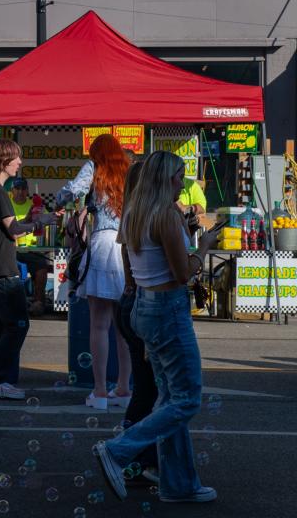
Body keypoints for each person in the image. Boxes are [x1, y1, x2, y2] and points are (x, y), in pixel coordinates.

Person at [95, 150, 219, 504]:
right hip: (167, 308)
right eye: (179, 177)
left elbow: (130, 261)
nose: (183, 184)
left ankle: (179, 484)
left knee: (169, 397)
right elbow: (183, 272)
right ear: (166, 179)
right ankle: (117, 451)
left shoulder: (136, 210)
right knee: (186, 399)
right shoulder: (165, 214)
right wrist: (205, 247)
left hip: (145, 306)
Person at [0, 139, 62, 400]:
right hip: (1, 267)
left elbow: (7, 226)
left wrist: (33, 220)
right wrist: (38, 223)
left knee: (0, 325)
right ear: (3, 161)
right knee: (17, 324)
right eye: (16, 158)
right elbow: (13, 231)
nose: (20, 163)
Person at [55, 133, 131, 410]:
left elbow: (72, 191)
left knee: (99, 325)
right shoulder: (128, 172)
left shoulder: (94, 169)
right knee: (124, 327)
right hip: (125, 248)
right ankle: (124, 388)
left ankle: (99, 391)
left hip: (101, 246)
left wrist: (60, 199)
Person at [113, 161, 160, 483]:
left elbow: (129, 271)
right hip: (145, 305)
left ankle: (137, 458)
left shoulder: (130, 217)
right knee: (154, 391)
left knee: (144, 389)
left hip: (129, 302)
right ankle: (129, 455)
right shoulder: (152, 218)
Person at [9, 176, 51, 316]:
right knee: (12, 268)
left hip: (32, 250)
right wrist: (27, 220)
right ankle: (13, 303)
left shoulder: (34, 205)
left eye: (23, 189)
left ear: (27, 191)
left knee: (41, 267)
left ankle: (39, 302)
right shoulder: (6, 204)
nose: (20, 192)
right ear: (12, 191)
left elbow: (46, 221)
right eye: (17, 189)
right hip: (12, 249)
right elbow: (10, 227)